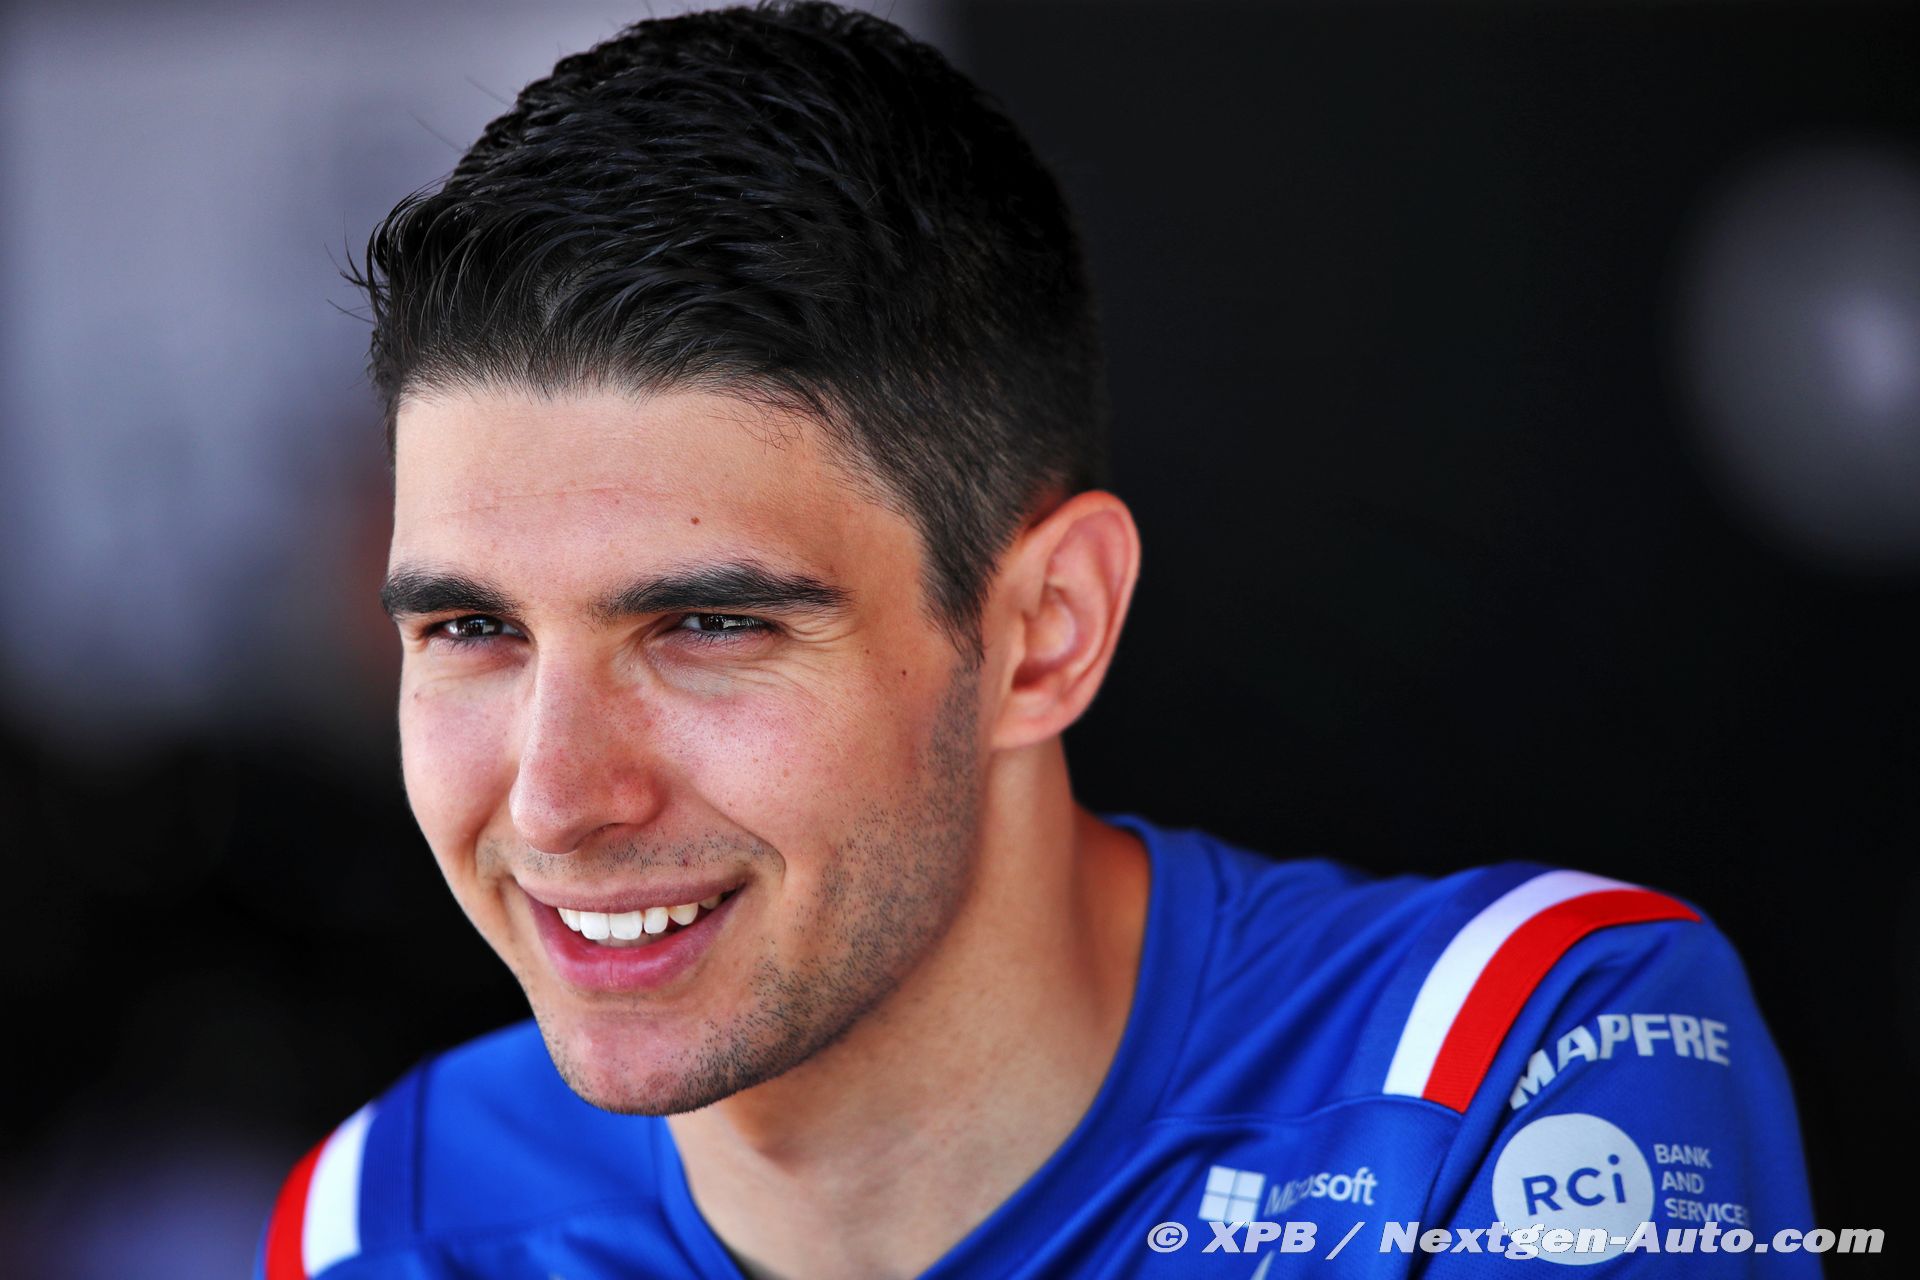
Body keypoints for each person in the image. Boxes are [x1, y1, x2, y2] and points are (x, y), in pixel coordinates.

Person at [258, 3, 1817, 1276]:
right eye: (471, 628)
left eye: (709, 625)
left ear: (1047, 632)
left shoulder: (1513, 1060)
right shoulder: (381, 1224)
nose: (553, 798)